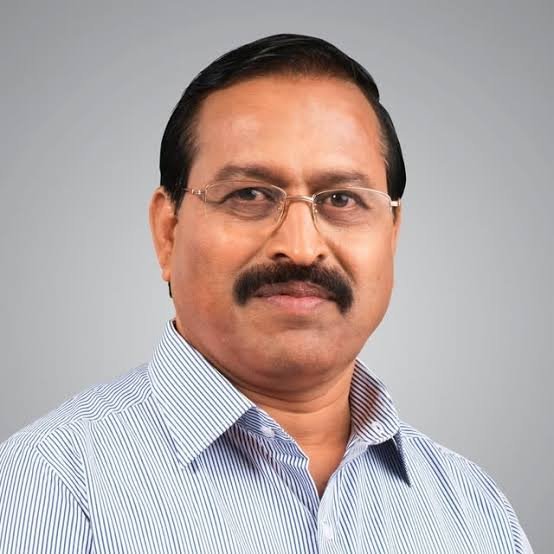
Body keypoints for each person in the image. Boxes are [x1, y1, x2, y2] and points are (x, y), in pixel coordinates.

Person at [0, 34, 533, 553]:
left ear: (391, 236)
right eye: (250, 195)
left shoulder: (474, 510)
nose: (300, 248)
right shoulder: (49, 486)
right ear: (168, 231)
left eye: (341, 200)